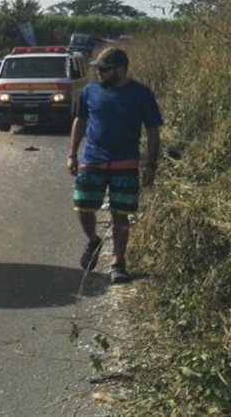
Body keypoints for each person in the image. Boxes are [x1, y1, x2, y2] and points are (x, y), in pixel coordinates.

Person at [65, 47, 163, 285]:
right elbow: (80, 121)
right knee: (82, 205)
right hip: (92, 159)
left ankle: (118, 263)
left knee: (121, 215)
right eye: (97, 69)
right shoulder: (89, 91)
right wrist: (72, 154)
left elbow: (153, 131)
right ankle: (93, 241)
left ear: (121, 69)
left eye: (104, 69)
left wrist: (150, 164)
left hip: (126, 161)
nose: (99, 73)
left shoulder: (142, 94)